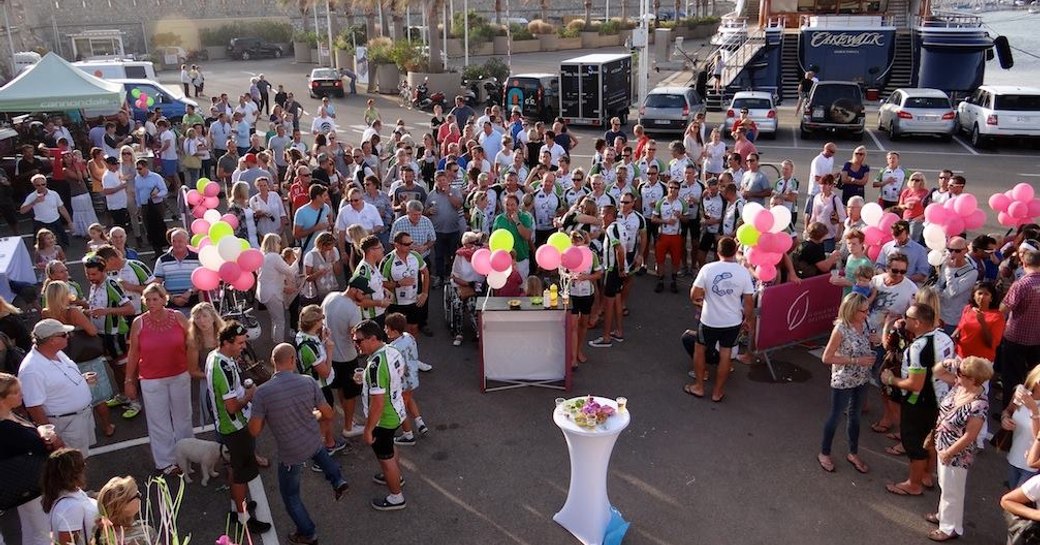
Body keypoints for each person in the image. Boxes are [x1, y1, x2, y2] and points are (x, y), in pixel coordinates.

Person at [248, 343, 348, 545]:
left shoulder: (262, 393)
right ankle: (337, 480)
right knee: (319, 451)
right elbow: (328, 413)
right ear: (293, 360)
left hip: (290, 452)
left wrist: (266, 413)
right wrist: (313, 415)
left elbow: (254, 431)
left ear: (272, 361)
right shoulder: (308, 381)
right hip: (312, 439)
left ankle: (308, 533)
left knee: (291, 496)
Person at [880, 303, 956, 497]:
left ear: (918, 322)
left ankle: (913, 484)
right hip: (941, 399)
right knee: (930, 440)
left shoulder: (919, 347)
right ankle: (926, 475)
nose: (905, 320)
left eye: (908, 317)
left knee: (914, 443)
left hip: (919, 402)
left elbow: (915, 385)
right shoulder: (945, 337)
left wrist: (891, 379)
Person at [205, 322, 272, 534]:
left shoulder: (217, 357)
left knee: (235, 469)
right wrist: (250, 395)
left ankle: (237, 507)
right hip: (234, 427)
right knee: (241, 473)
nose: (243, 347)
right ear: (226, 342)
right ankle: (243, 519)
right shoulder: (221, 367)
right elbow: (232, 406)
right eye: (240, 343)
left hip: (229, 425)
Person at [124, 284, 193, 475]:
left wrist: (194, 367)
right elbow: (133, 353)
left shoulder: (178, 317)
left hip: (179, 375)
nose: (151, 303)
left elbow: (192, 342)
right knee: (158, 422)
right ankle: (166, 462)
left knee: (183, 418)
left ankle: (187, 454)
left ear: (164, 299)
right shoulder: (139, 322)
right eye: (148, 299)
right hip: (151, 380)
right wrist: (128, 381)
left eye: (155, 299)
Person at [926, 356, 992, 541]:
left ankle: (948, 528)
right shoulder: (960, 385)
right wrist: (948, 363)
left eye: (961, 373)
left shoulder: (979, 404)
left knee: (952, 491)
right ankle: (943, 516)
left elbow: (969, 436)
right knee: (945, 486)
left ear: (973, 379)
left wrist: (949, 452)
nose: (957, 374)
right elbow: (937, 371)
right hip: (943, 446)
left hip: (956, 453)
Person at [683, 237, 755, 402]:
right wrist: (748, 319)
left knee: (700, 349)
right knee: (726, 354)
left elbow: (694, 294)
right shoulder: (743, 271)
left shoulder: (708, 268)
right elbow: (749, 301)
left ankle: (699, 387)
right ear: (734, 251)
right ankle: (717, 392)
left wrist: (700, 301)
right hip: (732, 321)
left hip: (709, 320)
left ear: (718, 251)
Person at [41, 280, 115, 439]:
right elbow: (92, 331)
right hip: (85, 358)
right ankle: (107, 426)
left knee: (74, 395)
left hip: (63, 359)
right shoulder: (73, 312)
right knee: (97, 397)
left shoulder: (45, 313)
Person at [353, 320, 408, 511]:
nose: (356, 344)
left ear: (373, 339)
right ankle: (396, 477)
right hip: (397, 410)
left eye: (359, 341)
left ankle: (396, 497)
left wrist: (368, 429)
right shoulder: (392, 350)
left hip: (384, 419)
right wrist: (367, 379)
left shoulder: (376, 364)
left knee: (385, 459)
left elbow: (378, 403)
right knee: (390, 448)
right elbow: (402, 373)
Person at [18, 319, 95, 455]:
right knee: (71, 463)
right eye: (64, 335)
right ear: (52, 340)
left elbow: (57, 380)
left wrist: (81, 380)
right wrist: (52, 436)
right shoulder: (32, 369)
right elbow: (34, 407)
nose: (69, 336)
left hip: (80, 418)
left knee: (80, 457)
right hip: (66, 424)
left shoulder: (57, 352)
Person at [818, 293, 875, 474]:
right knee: (835, 416)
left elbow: (865, 342)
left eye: (868, 310)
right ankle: (824, 452)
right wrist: (857, 361)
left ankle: (853, 452)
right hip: (844, 379)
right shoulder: (841, 329)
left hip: (862, 378)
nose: (867, 314)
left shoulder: (864, 323)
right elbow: (826, 357)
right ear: (852, 310)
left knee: (855, 416)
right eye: (863, 311)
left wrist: (874, 341)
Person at [0, 373, 57, 545]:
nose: (21, 394)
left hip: (19, 484)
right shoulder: (6, 427)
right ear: (2, 399)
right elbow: (35, 446)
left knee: (29, 528)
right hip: (27, 483)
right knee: (43, 530)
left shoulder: (10, 415)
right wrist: (45, 437)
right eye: (16, 392)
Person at [321, 287, 366, 439]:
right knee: (351, 394)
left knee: (341, 388)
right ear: (354, 290)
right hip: (347, 358)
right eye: (362, 293)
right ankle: (348, 427)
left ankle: (349, 419)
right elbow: (356, 336)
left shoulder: (330, 296)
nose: (364, 296)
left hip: (331, 356)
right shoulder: (353, 310)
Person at [999, 244, 1040, 403]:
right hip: (1037, 339)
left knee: (1012, 378)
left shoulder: (1021, 285)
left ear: (1024, 264)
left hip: (1016, 338)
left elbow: (1004, 308)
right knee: (1034, 379)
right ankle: (1030, 412)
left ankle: (1008, 415)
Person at [384, 312, 428, 447]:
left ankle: (408, 435)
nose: (385, 330)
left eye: (387, 328)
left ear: (394, 331)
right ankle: (420, 422)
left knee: (400, 407)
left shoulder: (393, 349)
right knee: (409, 399)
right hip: (412, 378)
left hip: (401, 382)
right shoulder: (409, 337)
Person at [589, 205, 626, 349]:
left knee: (608, 304)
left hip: (613, 270)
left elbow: (620, 250)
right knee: (617, 301)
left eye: (602, 213)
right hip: (617, 270)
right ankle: (619, 331)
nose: (600, 217)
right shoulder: (619, 227)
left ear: (610, 215)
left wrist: (620, 268)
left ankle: (605, 337)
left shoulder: (611, 229)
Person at [41, 448, 97, 545]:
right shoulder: (71, 508)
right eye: (82, 465)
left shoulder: (70, 494)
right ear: (73, 474)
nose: (85, 466)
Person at [564, 230, 602, 369]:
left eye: (578, 239)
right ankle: (573, 358)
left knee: (583, 324)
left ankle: (579, 350)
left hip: (587, 294)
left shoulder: (591, 255)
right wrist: (569, 277)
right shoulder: (567, 254)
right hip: (572, 294)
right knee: (573, 326)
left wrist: (587, 277)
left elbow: (598, 273)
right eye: (573, 240)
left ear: (584, 240)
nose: (575, 242)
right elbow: (561, 271)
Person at [257, 234, 299, 343]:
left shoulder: (262, 256)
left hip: (264, 292)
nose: (280, 246)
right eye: (278, 243)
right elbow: (289, 271)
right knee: (280, 321)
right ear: (273, 243)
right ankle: (280, 346)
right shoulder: (274, 257)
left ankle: (276, 341)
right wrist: (297, 260)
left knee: (275, 319)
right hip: (273, 294)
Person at [94, 476, 156, 545]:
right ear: (124, 507)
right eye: (136, 495)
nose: (140, 495)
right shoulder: (145, 533)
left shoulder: (98, 533)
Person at [153, 229, 201, 314]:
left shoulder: (197, 258)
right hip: (171, 306)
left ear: (187, 242)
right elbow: (157, 284)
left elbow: (202, 281)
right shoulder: (162, 260)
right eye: (174, 241)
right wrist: (171, 298)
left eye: (180, 241)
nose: (176, 244)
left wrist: (190, 292)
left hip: (193, 304)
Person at [349, 236, 392, 326]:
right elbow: (358, 300)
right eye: (380, 247)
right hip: (371, 318)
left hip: (380, 314)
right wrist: (380, 303)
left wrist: (384, 290)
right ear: (372, 251)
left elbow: (373, 285)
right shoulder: (363, 272)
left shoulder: (373, 265)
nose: (383, 250)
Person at [21, 175, 72, 250]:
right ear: (34, 186)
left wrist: (70, 222)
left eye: (43, 184)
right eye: (38, 185)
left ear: (46, 183)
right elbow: (22, 211)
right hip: (40, 224)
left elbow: (62, 208)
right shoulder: (32, 196)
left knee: (61, 247)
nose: (41, 187)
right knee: (42, 248)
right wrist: (34, 202)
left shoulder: (54, 194)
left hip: (55, 222)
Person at [133, 160, 170, 256]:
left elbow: (164, 190)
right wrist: (138, 206)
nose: (138, 171)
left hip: (157, 205)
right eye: (137, 169)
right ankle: (157, 251)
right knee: (149, 229)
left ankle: (165, 248)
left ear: (146, 167)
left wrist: (156, 195)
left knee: (159, 227)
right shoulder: (137, 179)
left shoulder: (156, 177)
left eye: (140, 169)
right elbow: (137, 194)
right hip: (145, 206)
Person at [806, 175, 846, 253]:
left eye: (825, 184)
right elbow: (814, 215)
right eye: (821, 184)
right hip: (816, 234)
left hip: (829, 235)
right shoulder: (817, 197)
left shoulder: (835, 199)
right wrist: (809, 229)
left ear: (831, 186)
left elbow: (842, 218)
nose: (822, 186)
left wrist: (838, 234)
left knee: (827, 255)